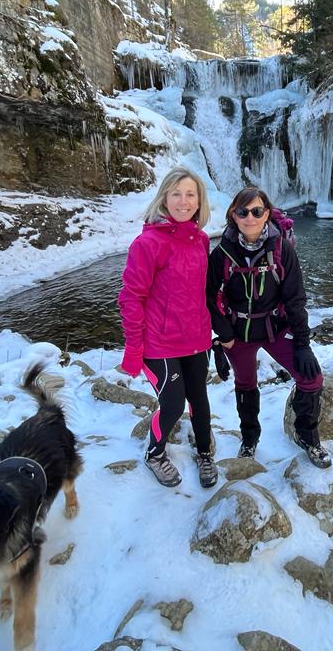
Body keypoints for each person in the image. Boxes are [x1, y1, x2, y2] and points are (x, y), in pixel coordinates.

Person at [207, 186, 330, 468]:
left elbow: (296, 299)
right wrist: (223, 335)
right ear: (233, 215)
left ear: (267, 214)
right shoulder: (222, 253)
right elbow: (208, 296)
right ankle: (249, 438)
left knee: (311, 380)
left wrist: (302, 344)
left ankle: (306, 435)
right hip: (239, 333)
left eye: (257, 211)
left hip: (277, 329)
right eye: (243, 211)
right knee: (245, 385)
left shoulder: (282, 249)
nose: (250, 217)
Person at [118, 167, 217, 488]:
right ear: (164, 198)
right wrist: (134, 347)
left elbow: (201, 291)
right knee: (173, 403)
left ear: (199, 201)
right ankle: (155, 454)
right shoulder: (147, 244)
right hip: (159, 343)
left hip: (197, 338)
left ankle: (205, 453)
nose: (183, 201)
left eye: (190, 194)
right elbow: (131, 298)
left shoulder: (201, 240)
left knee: (199, 398)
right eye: (176, 194)